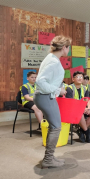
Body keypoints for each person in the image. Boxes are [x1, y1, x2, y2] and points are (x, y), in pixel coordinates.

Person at [34, 35, 70, 168]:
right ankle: (48, 159)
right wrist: (57, 90)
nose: (69, 50)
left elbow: (50, 79)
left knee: (53, 127)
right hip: (45, 96)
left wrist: (59, 87)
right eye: (68, 47)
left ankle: (49, 157)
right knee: (56, 127)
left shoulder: (51, 58)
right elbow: (40, 81)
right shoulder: (54, 61)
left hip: (44, 96)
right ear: (64, 47)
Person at [66, 71, 90, 143]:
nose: (80, 78)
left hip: (83, 108)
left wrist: (89, 108)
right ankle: (86, 132)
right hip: (72, 109)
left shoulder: (84, 88)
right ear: (73, 79)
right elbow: (70, 103)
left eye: (81, 77)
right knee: (80, 113)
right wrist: (82, 109)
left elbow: (87, 99)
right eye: (77, 77)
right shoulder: (69, 88)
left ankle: (81, 130)